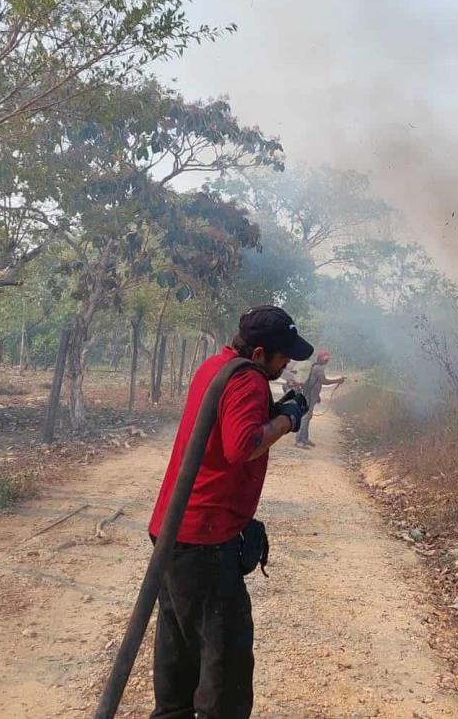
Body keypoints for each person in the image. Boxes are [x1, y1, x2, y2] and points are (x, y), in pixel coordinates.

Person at [146, 305, 314, 719]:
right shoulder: (248, 380)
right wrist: (289, 419)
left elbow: (227, 432)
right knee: (226, 656)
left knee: (180, 645)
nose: (287, 363)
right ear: (259, 353)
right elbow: (243, 446)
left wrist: (272, 414)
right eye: (282, 356)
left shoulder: (216, 367)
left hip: (174, 529)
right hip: (205, 536)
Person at [291, 350, 345, 448]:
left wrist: (317, 396)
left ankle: (304, 439)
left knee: (307, 417)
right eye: (325, 359)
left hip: (310, 395)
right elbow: (323, 381)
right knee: (306, 417)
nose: (326, 361)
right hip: (310, 396)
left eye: (327, 359)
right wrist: (338, 380)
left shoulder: (314, 367)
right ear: (321, 359)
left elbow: (313, 382)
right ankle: (298, 440)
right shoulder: (318, 368)